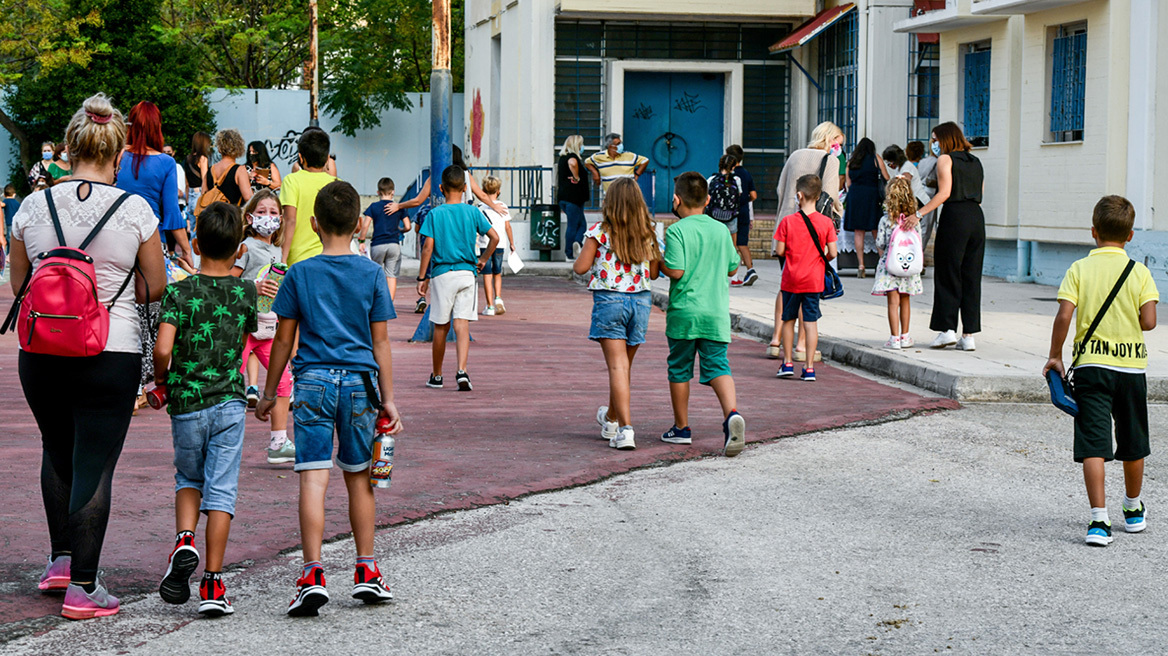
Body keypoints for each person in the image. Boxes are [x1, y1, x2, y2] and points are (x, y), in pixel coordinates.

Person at [9, 93, 167, 619]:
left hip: (40, 349)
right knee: (94, 463)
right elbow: (155, 286)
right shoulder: (135, 209)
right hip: (110, 349)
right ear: (117, 152)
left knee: (56, 450)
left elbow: (18, 282)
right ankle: (84, 586)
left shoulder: (33, 205)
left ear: (70, 146)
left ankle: (59, 561)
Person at [256, 180, 400, 616]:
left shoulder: (300, 273)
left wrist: (268, 393)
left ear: (315, 225)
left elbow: (283, 340)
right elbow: (381, 343)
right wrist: (388, 399)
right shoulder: (372, 273)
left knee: (313, 478)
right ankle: (367, 571)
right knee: (359, 478)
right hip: (360, 385)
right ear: (360, 225)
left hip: (313, 381)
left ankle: (312, 573)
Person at [153, 201, 257, 617]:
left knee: (187, 477)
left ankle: (183, 540)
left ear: (195, 243)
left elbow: (162, 347)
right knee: (222, 490)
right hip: (230, 401)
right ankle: (213, 584)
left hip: (186, 403)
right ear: (238, 251)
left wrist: (164, 379)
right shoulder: (243, 291)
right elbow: (255, 331)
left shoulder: (178, 291)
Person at [1043, 195, 1159, 547]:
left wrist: (1055, 356)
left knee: (1094, 443)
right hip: (1130, 368)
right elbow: (1149, 321)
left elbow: (1064, 315)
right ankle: (1134, 509)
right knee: (1133, 440)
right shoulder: (1140, 272)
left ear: (1093, 231)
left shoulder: (1079, 269)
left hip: (1092, 368)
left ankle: (1099, 521)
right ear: (1131, 235)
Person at [659, 172, 746, 457]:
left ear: (676, 199)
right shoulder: (721, 230)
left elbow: (676, 270)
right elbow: (733, 268)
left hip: (685, 314)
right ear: (708, 200)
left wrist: (658, 262)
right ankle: (731, 413)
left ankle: (681, 428)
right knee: (718, 366)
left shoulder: (676, 231)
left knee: (680, 368)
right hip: (716, 313)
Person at [572, 177, 660, 450]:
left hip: (610, 302)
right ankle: (610, 419)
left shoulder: (600, 232)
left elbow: (580, 267)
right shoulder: (649, 232)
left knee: (617, 367)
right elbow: (654, 272)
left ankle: (626, 430)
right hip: (641, 304)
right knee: (623, 367)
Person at [116, 101, 194, 403]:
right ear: (157, 128)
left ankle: (123, 380)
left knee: (119, 310)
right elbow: (172, 214)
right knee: (149, 314)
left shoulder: (118, 158)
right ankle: (142, 383)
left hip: (116, 243)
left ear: (131, 126)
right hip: (150, 246)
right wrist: (187, 251)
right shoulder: (164, 163)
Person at [416, 165, 499, 392]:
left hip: (443, 274)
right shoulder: (473, 212)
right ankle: (462, 371)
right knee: (462, 323)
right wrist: (483, 259)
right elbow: (494, 237)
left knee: (441, 326)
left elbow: (427, 248)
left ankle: (437, 375)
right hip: (467, 273)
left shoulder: (435, 214)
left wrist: (422, 277)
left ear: (441, 188)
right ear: (465, 188)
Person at [771, 121, 845, 362]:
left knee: (787, 284)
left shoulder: (795, 155)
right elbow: (832, 196)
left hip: (787, 223)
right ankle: (802, 345)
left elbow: (780, 189)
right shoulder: (831, 161)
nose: (838, 148)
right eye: (838, 143)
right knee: (807, 289)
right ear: (830, 140)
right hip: (813, 230)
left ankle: (775, 341)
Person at [230, 189, 294, 464]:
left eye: (273, 213)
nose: (268, 218)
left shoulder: (278, 250)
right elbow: (229, 283)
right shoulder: (245, 247)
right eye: (261, 212)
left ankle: (279, 441)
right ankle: (224, 441)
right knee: (231, 382)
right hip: (244, 328)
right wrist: (253, 287)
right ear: (249, 217)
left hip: (269, 328)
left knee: (283, 381)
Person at [913, 122, 985, 351]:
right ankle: (969, 335)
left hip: (955, 216)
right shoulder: (976, 161)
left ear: (945, 139)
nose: (933, 143)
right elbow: (980, 196)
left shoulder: (945, 159)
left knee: (948, 273)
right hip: (975, 216)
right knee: (971, 276)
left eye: (935, 139)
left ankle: (947, 330)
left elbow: (944, 193)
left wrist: (919, 213)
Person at [774, 174, 837, 382]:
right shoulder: (826, 222)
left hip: (791, 279)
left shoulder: (788, 221)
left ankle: (788, 362)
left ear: (798, 195)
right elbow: (833, 253)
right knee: (810, 322)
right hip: (814, 280)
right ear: (818, 196)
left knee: (788, 320)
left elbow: (780, 250)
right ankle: (809, 367)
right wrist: (820, 259)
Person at [871, 177, 923, 349]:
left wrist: (883, 256)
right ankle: (905, 336)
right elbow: (919, 243)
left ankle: (894, 338)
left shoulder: (886, 221)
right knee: (905, 301)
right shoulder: (913, 222)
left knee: (893, 303)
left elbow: (880, 243)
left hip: (890, 266)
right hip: (908, 268)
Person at [280, 128, 336, 265]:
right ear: (327, 158)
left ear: (301, 157)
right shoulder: (336, 185)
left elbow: (290, 220)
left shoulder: (291, 181)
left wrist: (283, 256)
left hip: (298, 258)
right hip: (329, 257)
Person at [842, 137, 890, 279]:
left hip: (855, 197)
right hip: (872, 196)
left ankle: (861, 265)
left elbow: (848, 184)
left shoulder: (851, 161)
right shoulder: (876, 158)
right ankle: (882, 263)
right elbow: (886, 177)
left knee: (859, 232)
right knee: (876, 230)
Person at [360, 177, 411, 300]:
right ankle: (389, 303)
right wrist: (401, 230)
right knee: (391, 275)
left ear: (378, 192)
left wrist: (361, 240)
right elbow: (408, 226)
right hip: (394, 245)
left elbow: (365, 225)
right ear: (393, 192)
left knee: (376, 274)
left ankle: (375, 301)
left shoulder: (374, 207)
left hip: (377, 244)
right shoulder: (399, 207)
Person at [477, 175, 514, 316]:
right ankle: (498, 298)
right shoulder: (503, 206)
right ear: (498, 190)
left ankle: (489, 306)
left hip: (484, 244)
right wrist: (512, 243)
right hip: (500, 244)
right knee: (497, 272)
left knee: (487, 274)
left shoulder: (480, 207)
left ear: (483, 190)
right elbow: (508, 227)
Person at [726, 145, 758, 287]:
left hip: (731, 213)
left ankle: (734, 274)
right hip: (744, 211)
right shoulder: (746, 173)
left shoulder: (729, 175)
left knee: (732, 244)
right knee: (742, 243)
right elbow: (754, 195)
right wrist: (745, 200)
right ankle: (750, 269)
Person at [585, 133, 648, 197]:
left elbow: (645, 161)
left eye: (621, 143)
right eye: (618, 144)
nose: (621, 146)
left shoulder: (629, 155)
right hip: (610, 196)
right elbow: (587, 162)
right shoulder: (599, 156)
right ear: (610, 146)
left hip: (628, 195)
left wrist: (637, 174)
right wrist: (595, 173)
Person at [558, 135, 590, 258]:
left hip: (566, 198)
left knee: (581, 224)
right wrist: (576, 177)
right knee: (574, 225)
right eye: (581, 144)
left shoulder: (562, 158)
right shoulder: (572, 157)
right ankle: (570, 253)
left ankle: (576, 243)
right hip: (574, 198)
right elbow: (572, 163)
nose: (583, 147)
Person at [205, 129, 252, 208]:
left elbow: (204, 193)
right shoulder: (239, 170)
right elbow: (248, 197)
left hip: (213, 217)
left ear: (219, 149)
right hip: (232, 216)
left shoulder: (210, 170)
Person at [904, 141, 937, 250]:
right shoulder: (932, 162)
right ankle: (918, 255)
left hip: (913, 197)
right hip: (928, 198)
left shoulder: (906, 166)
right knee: (924, 228)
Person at [706, 154, 744, 237]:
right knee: (732, 244)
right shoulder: (737, 180)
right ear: (733, 167)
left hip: (714, 216)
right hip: (731, 215)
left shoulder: (711, 179)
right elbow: (739, 194)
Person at [183, 132, 211, 230]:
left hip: (190, 195)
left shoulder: (187, 159)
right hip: (199, 194)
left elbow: (186, 183)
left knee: (192, 230)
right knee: (201, 229)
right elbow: (205, 179)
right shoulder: (202, 158)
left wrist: (187, 201)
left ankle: (191, 246)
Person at [163, 143, 188, 221]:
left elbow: (185, 186)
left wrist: (183, 194)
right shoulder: (160, 168)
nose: (167, 154)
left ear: (173, 153)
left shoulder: (178, 167)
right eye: (164, 152)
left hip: (180, 205)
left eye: (169, 152)